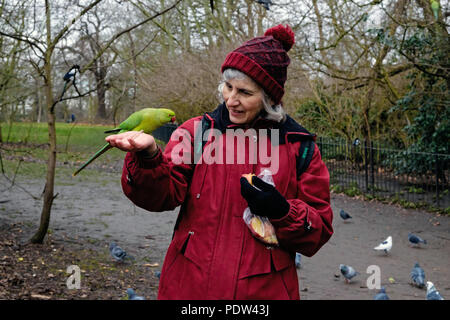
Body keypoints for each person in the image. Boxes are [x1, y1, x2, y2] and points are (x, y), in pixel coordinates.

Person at [106, 24, 333, 300]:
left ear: (269, 99)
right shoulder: (196, 133)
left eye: (245, 93)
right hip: (190, 288)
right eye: (228, 87)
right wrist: (149, 157)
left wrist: (282, 211)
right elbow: (161, 196)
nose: (231, 100)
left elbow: (318, 230)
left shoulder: (299, 147)